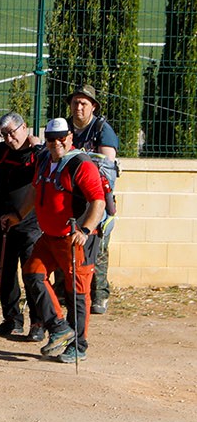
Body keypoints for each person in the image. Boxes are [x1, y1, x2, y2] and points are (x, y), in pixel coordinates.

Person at [8, 119, 107, 363]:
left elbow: (98, 201)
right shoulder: (43, 160)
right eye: (51, 139)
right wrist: (19, 215)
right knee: (32, 273)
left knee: (77, 292)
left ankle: (79, 346)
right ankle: (59, 327)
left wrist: (85, 229)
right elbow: (34, 190)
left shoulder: (81, 164)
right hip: (49, 237)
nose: (57, 143)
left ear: (70, 137)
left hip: (76, 239)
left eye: (61, 137)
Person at [0, 113, 46, 339]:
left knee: (33, 274)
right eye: (4, 135)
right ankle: (12, 318)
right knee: (4, 272)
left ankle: (38, 322)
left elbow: (48, 173)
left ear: (24, 127)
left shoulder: (40, 153)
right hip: (1, 224)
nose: (9, 138)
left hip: (31, 225)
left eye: (12, 133)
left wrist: (39, 149)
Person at [66, 84, 120, 313]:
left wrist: (77, 158)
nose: (78, 107)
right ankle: (65, 291)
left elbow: (106, 167)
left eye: (84, 103)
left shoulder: (102, 130)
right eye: (75, 102)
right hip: (68, 196)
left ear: (93, 106)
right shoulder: (64, 127)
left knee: (97, 248)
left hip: (96, 197)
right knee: (65, 245)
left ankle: (99, 295)